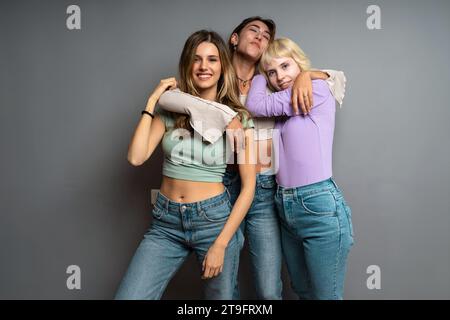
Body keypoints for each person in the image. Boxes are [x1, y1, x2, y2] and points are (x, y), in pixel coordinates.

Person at [157, 16, 346, 300]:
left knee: (270, 288)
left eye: (266, 35)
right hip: (220, 186)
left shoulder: (274, 81)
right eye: (253, 30)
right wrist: (227, 116)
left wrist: (313, 74)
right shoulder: (213, 76)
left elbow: (337, 80)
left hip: (266, 187)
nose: (260, 37)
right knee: (223, 285)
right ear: (234, 39)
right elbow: (173, 96)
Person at [114, 30, 256, 300]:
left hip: (213, 222)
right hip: (166, 222)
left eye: (212, 60)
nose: (204, 67)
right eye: (197, 59)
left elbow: (249, 187)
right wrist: (152, 100)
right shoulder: (171, 111)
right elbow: (136, 157)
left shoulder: (238, 119)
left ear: (223, 66)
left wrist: (222, 243)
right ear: (187, 65)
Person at [245, 37, 354, 300]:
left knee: (326, 296)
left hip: (317, 205)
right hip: (284, 205)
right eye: (271, 72)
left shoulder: (316, 90)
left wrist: (307, 74)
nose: (279, 76)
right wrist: (273, 71)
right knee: (303, 292)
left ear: (299, 63)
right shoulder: (286, 103)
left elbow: (254, 104)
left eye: (285, 66)